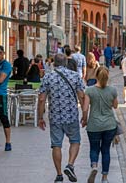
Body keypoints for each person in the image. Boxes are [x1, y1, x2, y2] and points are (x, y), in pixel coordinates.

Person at [38, 53, 87, 183]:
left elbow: (42, 98)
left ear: (54, 63)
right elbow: (82, 96)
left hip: (55, 117)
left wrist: (40, 117)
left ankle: (59, 175)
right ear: (66, 63)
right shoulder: (75, 76)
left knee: (56, 145)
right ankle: (70, 165)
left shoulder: (48, 77)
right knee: (75, 141)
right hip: (71, 116)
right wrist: (84, 114)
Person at [82, 67, 118, 183]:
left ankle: (94, 166)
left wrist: (84, 119)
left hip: (94, 125)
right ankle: (104, 178)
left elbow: (85, 108)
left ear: (96, 76)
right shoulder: (112, 90)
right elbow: (115, 106)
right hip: (109, 125)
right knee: (106, 150)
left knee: (94, 148)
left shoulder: (89, 90)